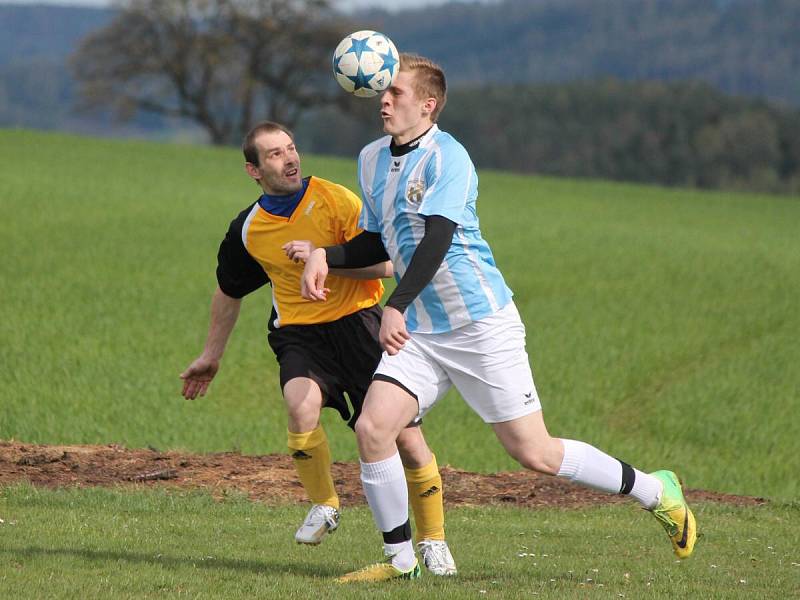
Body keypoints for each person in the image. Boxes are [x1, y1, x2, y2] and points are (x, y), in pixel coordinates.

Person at [297, 54, 697, 582]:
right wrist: (329, 254)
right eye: (383, 92)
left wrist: (393, 304)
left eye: (396, 92)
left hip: (480, 323)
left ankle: (656, 490)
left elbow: (436, 239)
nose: (384, 100)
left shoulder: (449, 157)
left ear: (428, 104)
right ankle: (399, 562)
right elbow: (377, 240)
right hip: (421, 328)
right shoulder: (371, 158)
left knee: (534, 451)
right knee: (374, 427)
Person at [180, 120, 457, 576]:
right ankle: (326, 505)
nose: (290, 159)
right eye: (274, 154)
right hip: (300, 333)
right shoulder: (249, 230)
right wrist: (211, 355)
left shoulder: (337, 200)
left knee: (407, 440)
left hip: (360, 326)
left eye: (291, 148)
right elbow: (228, 290)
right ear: (253, 170)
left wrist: (321, 255)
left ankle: (433, 540)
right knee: (299, 404)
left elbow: (387, 265)